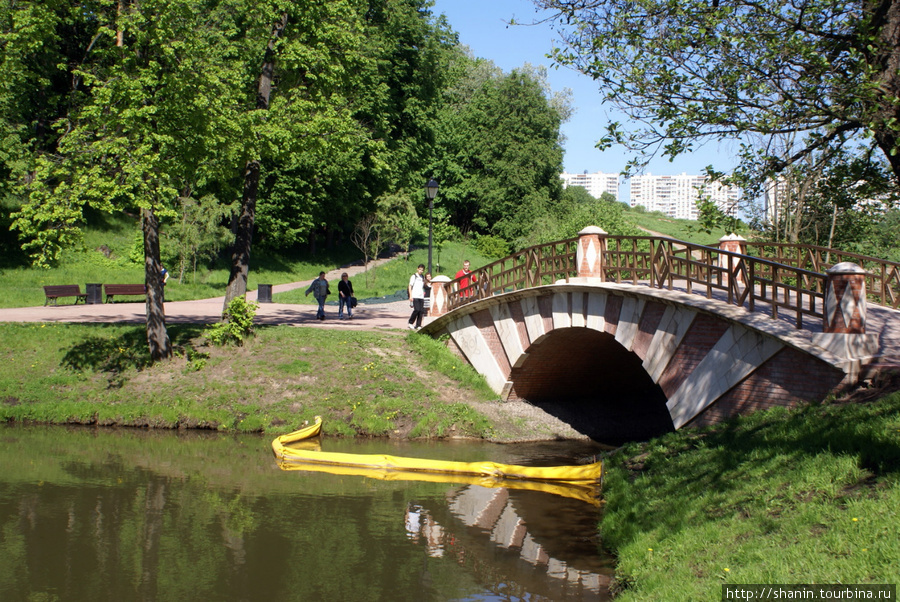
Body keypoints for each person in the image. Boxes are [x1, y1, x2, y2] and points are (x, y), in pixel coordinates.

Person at [407, 263, 426, 330]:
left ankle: (418, 325)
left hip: (421, 296)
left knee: (421, 311)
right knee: (416, 309)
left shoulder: (422, 277)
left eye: (422, 270)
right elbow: (410, 286)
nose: (421, 271)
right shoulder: (414, 276)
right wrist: (410, 295)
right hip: (415, 295)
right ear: (417, 269)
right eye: (420, 269)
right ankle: (410, 322)